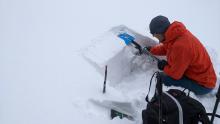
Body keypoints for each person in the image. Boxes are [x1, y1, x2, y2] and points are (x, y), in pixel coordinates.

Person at [146, 15, 217, 95]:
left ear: (160, 32)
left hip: (202, 85)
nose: (154, 36)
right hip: (201, 75)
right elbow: (167, 48)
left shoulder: (180, 46)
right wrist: (152, 50)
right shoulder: (175, 35)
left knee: (163, 78)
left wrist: (164, 67)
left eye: (154, 34)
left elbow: (175, 75)